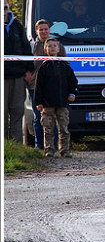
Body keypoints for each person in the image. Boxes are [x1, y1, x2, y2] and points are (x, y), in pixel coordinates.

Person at [34, 38, 78, 157]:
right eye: (49, 46)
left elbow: (73, 82)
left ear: (59, 49)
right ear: (45, 49)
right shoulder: (44, 67)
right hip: (47, 104)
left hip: (62, 102)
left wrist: (72, 94)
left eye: (54, 46)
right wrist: (39, 101)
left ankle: (65, 150)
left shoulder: (65, 66)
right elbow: (38, 86)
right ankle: (49, 150)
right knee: (48, 128)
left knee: (63, 128)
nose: (52, 48)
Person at [29, 20, 67, 150]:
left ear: (49, 30)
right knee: (38, 117)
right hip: (35, 87)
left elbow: (65, 66)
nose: (43, 32)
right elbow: (27, 65)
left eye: (46, 29)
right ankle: (39, 146)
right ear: (36, 31)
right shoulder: (32, 46)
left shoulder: (58, 45)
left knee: (54, 118)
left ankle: (54, 146)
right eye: (41, 30)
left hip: (54, 89)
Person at [4, 0, 34, 143]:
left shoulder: (18, 26)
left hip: (18, 76)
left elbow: (26, 49)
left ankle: (16, 146)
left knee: (17, 110)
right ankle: (4, 147)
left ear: (8, 5)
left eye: (4, 4)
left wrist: (29, 70)